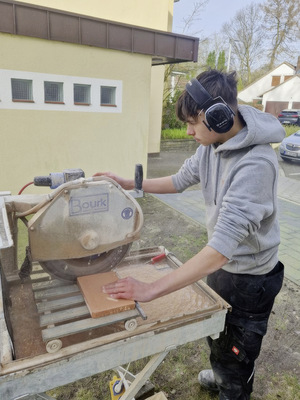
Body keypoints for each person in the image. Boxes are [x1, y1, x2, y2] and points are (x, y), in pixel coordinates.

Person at [94, 69, 285, 400]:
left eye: (194, 123)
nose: (188, 131)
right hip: (224, 268)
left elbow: (220, 250)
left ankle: (233, 386)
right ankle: (221, 369)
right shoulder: (212, 146)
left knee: (238, 350)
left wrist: (152, 289)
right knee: (217, 333)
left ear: (220, 117)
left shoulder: (257, 164)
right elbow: (180, 179)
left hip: (252, 280)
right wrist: (130, 184)